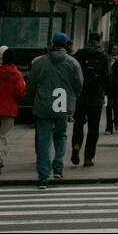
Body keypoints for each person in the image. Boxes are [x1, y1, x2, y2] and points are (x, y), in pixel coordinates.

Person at [27, 32, 84, 189]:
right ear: (65, 44)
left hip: (44, 105)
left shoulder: (40, 63)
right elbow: (78, 84)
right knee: (61, 135)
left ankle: (43, 176)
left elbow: (31, 84)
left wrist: (35, 98)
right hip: (63, 104)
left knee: (43, 141)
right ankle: (58, 166)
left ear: (52, 43)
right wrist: (73, 97)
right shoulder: (73, 63)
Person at [71, 32, 110, 166]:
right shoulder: (103, 56)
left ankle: (76, 145)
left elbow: (73, 73)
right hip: (96, 98)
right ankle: (88, 157)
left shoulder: (80, 55)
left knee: (78, 124)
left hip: (81, 96)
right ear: (99, 40)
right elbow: (107, 77)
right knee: (93, 129)